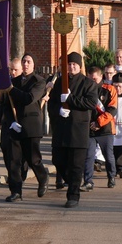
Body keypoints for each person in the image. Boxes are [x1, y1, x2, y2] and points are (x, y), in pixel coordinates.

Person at [48, 52, 98, 208]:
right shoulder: (60, 83)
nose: (71, 67)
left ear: (80, 66)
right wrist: (58, 110)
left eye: (74, 64)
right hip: (61, 129)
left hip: (78, 130)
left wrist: (70, 99)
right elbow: (52, 103)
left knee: (76, 165)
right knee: (58, 160)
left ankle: (73, 195)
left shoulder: (88, 84)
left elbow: (90, 103)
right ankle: (73, 182)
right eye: (69, 64)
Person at [0, 55, 49, 202]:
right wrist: (11, 121)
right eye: (24, 61)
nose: (26, 64)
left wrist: (12, 90)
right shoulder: (13, 82)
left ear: (33, 65)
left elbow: (29, 98)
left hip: (31, 126)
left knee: (33, 159)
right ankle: (16, 190)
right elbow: (6, 104)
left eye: (29, 62)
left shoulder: (39, 82)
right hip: (15, 126)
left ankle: (43, 177)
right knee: (14, 161)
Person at [82, 67, 118, 191]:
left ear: (100, 77)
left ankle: (111, 176)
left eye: (94, 79)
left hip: (105, 128)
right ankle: (88, 181)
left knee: (108, 155)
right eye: (90, 79)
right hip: (89, 128)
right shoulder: (85, 89)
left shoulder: (110, 89)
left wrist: (99, 123)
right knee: (89, 155)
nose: (92, 81)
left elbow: (112, 109)